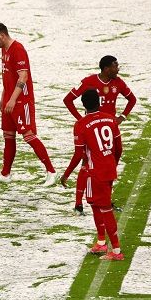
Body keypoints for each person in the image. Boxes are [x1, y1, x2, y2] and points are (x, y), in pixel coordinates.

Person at [62, 56, 137, 215]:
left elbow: (132, 99)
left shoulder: (119, 83)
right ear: (106, 68)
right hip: (92, 131)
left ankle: (105, 200)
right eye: (116, 66)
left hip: (109, 129)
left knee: (111, 162)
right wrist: (82, 120)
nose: (118, 69)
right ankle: (78, 204)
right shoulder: (88, 81)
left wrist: (122, 117)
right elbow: (68, 100)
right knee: (85, 163)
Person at [0, 23, 57, 186]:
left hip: (21, 101)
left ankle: (51, 171)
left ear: (2, 36)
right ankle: (6, 174)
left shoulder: (18, 49)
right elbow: (7, 77)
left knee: (28, 135)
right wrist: (4, 98)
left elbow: (23, 76)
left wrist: (12, 99)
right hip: (9, 100)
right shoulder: (4, 49)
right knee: (8, 136)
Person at [60, 90, 123, 260]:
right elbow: (119, 148)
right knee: (95, 205)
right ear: (99, 102)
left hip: (95, 173)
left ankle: (116, 251)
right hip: (108, 169)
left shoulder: (81, 124)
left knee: (105, 209)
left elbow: (78, 155)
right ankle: (101, 243)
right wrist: (111, 164)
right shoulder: (110, 119)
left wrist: (66, 174)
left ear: (83, 106)